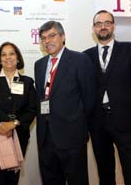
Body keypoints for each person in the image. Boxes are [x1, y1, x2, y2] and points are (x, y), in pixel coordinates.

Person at [84, 10, 131, 185]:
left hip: (127, 122)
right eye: (98, 24)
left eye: (107, 22)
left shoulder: (130, 49)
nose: (103, 26)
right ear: (93, 29)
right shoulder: (85, 56)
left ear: (113, 26)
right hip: (97, 124)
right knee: (105, 173)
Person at [34, 21, 95, 185]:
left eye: (52, 35)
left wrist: (80, 127)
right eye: (43, 38)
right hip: (46, 138)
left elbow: (89, 99)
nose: (47, 41)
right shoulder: (39, 65)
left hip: (72, 137)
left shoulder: (79, 60)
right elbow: (42, 98)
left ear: (63, 37)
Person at [0, 41, 37, 185]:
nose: (7, 57)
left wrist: (14, 123)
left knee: (12, 181)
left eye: (11, 53)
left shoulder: (27, 82)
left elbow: (32, 109)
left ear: (18, 58)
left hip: (17, 139)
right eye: (3, 54)